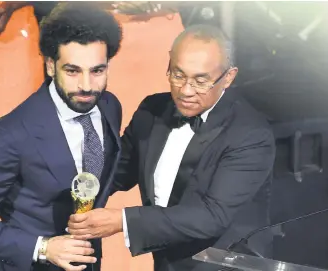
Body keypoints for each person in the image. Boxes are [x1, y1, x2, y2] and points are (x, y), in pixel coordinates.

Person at [68, 24, 276, 270]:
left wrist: (122, 220)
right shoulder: (152, 110)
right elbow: (118, 170)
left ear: (228, 77)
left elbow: (211, 217)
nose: (186, 91)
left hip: (224, 262)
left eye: (201, 81)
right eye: (178, 75)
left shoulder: (251, 135)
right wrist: (70, 183)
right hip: (167, 260)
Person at [0, 3, 123, 271]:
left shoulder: (109, 106)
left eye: (97, 71)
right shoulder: (9, 134)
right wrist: (42, 248)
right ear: (51, 66)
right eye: (73, 71)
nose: (87, 86)